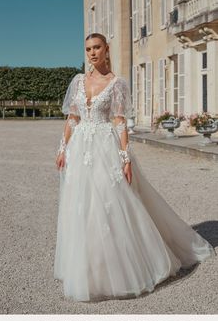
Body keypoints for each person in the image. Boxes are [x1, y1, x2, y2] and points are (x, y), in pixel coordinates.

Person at [54, 32, 216, 302]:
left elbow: (119, 123)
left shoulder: (117, 84)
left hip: (105, 147)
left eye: (97, 48)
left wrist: (125, 157)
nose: (92, 53)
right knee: (80, 205)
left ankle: (123, 266)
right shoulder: (79, 81)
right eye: (88, 49)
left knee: (110, 202)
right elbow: (72, 117)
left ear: (107, 49)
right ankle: (87, 267)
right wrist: (62, 148)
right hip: (80, 148)